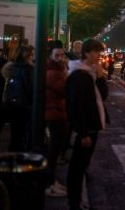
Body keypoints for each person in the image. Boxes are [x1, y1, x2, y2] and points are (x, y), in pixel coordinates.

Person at [66, 39, 108, 210]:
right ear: (86, 53)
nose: (99, 55)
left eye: (99, 51)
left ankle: (76, 201)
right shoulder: (78, 75)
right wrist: (82, 133)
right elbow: (74, 106)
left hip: (92, 125)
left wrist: (100, 76)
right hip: (86, 128)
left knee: (82, 166)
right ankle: (74, 204)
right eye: (95, 52)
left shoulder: (90, 72)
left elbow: (103, 96)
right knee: (77, 168)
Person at [45, 41, 69, 197]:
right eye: (57, 55)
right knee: (52, 152)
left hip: (57, 112)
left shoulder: (56, 69)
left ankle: (51, 182)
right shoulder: (53, 72)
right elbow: (65, 89)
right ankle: (48, 185)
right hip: (54, 114)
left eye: (62, 55)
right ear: (50, 56)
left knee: (54, 151)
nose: (60, 58)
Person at [2, 45, 34, 152]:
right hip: (24, 106)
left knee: (15, 134)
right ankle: (18, 159)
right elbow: (30, 88)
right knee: (22, 134)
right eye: (32, 54)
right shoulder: (27, 69)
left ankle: (11, 156)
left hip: (12, 105)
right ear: (27, 55)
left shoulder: (12, 68)